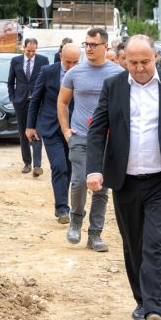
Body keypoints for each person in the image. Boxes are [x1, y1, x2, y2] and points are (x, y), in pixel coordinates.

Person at [85, 35, 161, 320]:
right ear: (124, 60)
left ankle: (154, 309)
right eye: (133, 62)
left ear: (156, 57)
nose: (139, 68)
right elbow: (98, 130)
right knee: (133, 244)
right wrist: (94, 169)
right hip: (125, 181)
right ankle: (141, 298)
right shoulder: (113, 86)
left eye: (145, 62)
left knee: (154, 243)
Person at [57, 27, 123, 252]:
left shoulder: (117, 74)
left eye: (93, 45)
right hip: (80, 136)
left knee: (101, 188)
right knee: (78, 181)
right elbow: (62, 102)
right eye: (86, 44)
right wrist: (66, 130)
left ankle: (95, 234)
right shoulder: (74, 73)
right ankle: (76, 220)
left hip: (106, 140)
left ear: (105, 46)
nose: (88, 49)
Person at [26, 43, 81, 224]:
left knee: (69, 167)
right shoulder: (48, 71)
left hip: (73, 128)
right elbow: (36, 99)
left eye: (75, 62)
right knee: (59, 166)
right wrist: (30, 126)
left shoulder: (83, 73)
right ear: (60, 57)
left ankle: (62, 202)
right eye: (68, 62)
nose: (71, 66)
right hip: (51, 127)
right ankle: (63, 208)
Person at [8, 38, 49, 176]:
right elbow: (10, 82)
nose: (31, 53)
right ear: (23, 47)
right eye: (28, 51)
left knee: (36, 132)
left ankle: (37, 165)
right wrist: (13, 98)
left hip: (38, 102)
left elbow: (47, 81)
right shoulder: (15, 61)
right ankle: (27, 163)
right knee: (23, 133)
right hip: (21, 102)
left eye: (33, 51)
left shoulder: (43, 60)